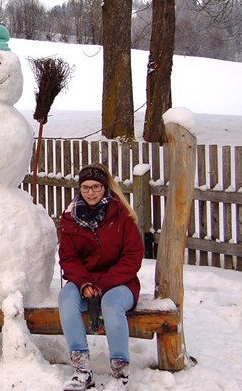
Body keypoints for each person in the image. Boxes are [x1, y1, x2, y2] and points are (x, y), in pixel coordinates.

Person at [57, 163, 144, 391]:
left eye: (96, 186)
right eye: (85, 187)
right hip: (85, 281)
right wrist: (84, 283)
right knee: (66, 297)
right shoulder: (70, 218)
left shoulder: (121, 216)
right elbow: (68, 257)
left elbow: (133, 257)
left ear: (104, 188)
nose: (90, 192)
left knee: (111, 303)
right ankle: (82, 370)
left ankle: (120, 374)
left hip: (120, 283)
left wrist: (103, 284)